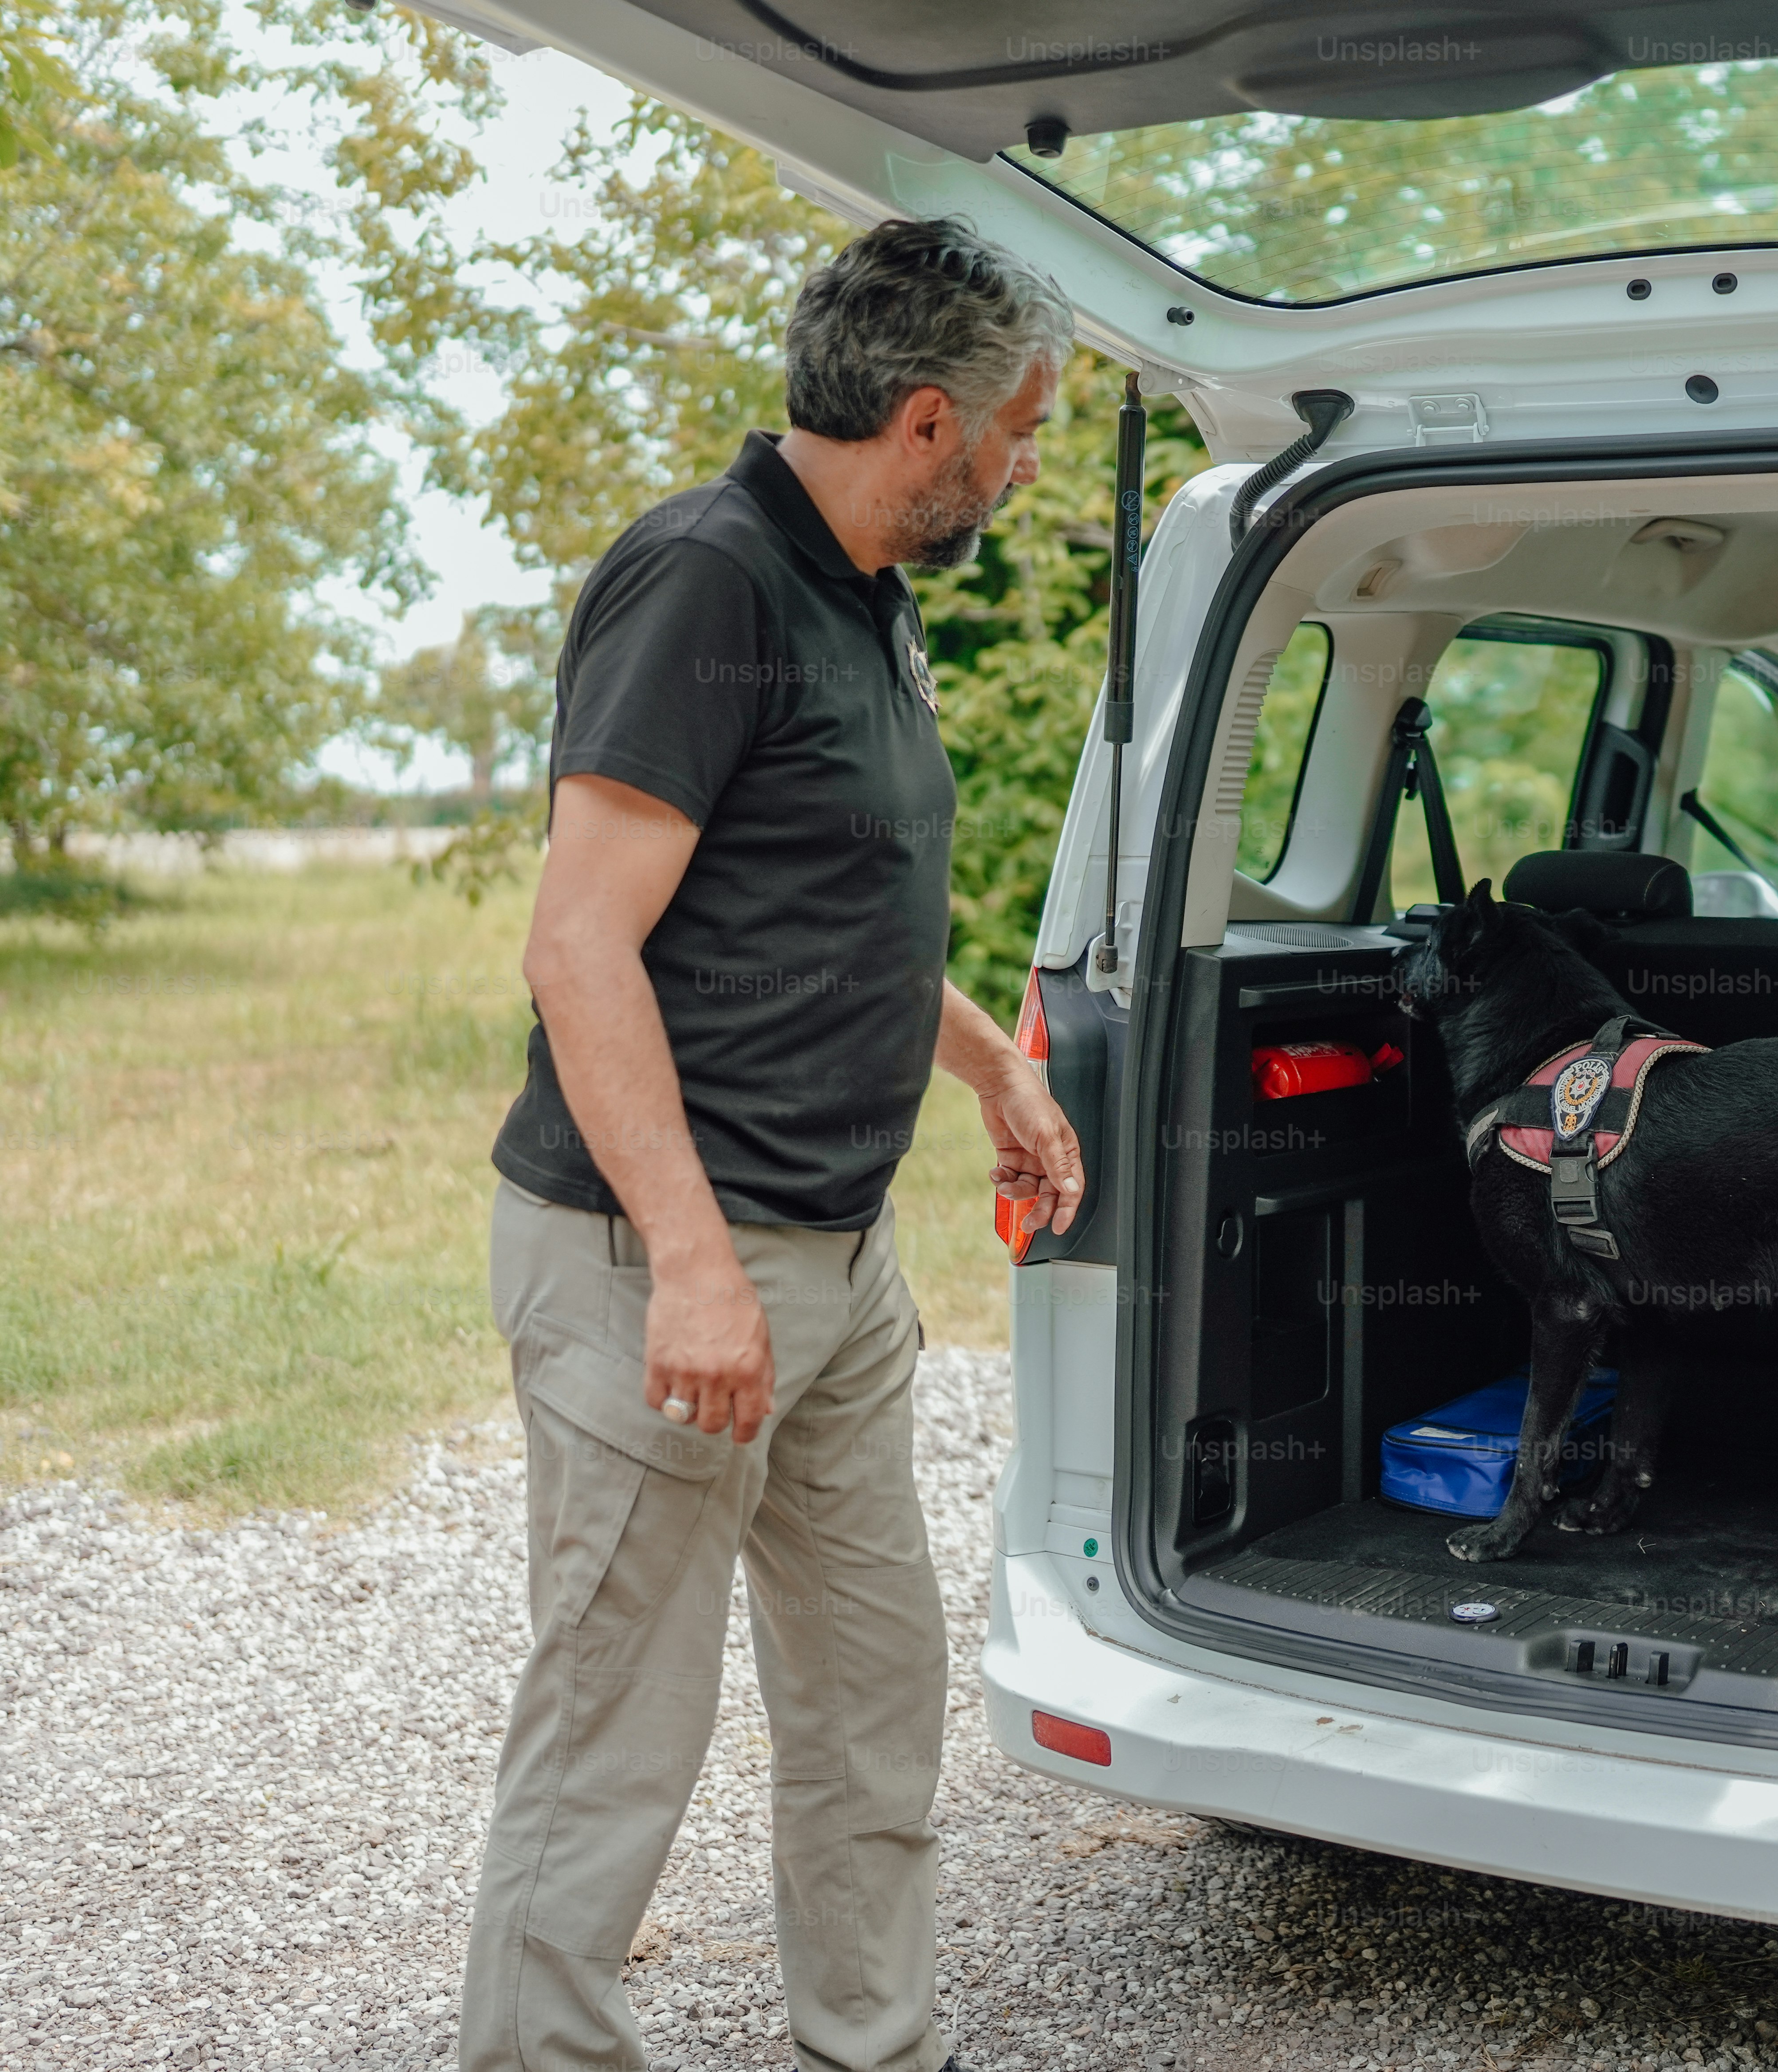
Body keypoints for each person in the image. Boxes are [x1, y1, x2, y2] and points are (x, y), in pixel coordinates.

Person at [462, 216, 1086, 2072]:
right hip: (665, 1264)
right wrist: (701, 1261)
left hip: (834, 1265)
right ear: (927, 420)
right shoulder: (708, 579)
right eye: (1026, 432)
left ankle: (871, 2049)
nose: (1030, 464)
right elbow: (581, 944)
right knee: (615, 1738)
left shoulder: (863, 586)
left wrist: (986, 1062)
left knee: (872, 1698)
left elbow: (832, 902)